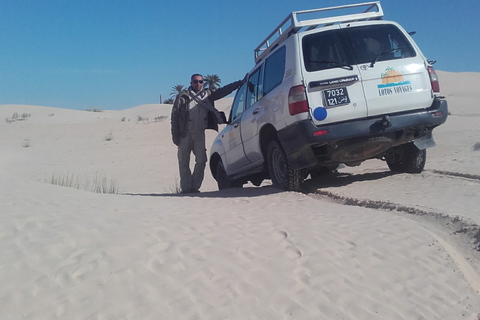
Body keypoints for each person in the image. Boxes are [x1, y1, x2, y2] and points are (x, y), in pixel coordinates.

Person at [171, 73, 245, 194]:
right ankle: (186, 188)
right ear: (191, 83)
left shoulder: (208, 95)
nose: (198, 84)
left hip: (199, 133)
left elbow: (223, 91)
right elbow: (174, 116)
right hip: (184, 133)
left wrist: (238, 83)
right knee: (183, 161)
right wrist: (174, 134)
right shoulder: (183, 97)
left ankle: (194, 187)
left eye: (200, 81)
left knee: (201, 160)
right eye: (195, 81)